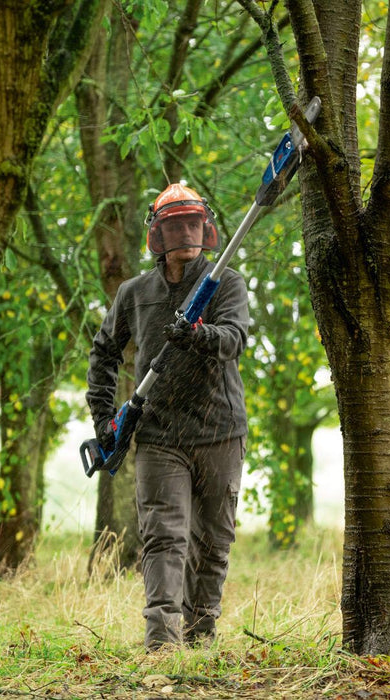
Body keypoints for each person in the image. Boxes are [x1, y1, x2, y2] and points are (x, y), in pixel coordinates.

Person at [86, 183, 250, 650]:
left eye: (193, 223)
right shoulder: (134, 293)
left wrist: (198, 334)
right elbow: (103, 355)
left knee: (214, 542)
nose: (186, 232)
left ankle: (201, 636)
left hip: (221, 431)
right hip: (158, 435)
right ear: (157, 235)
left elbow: (235, 338)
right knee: (164, 536)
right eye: (175, 224)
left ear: (207, 228)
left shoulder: (226, 283)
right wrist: (104, 419)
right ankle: (162, 642)